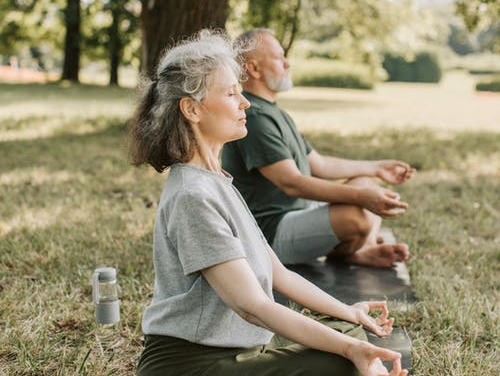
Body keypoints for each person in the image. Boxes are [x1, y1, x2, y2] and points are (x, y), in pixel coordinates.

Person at [130, 30, 408, 376]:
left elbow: (277, 272)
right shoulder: (192, 196)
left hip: (241, 347)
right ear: (192, 109)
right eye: (231, 94)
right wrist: (352, 350)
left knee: (346, 330)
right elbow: (254, 306)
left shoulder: (218, 181)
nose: (245, 102)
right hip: (194, 363)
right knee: (344, 361)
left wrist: (348, 312)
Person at [221, 28, 416, 268]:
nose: (287, 63)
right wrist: (361, 198)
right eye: (278, 57)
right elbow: (291, 183)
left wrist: (376, 168)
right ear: (254, 69)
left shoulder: (274, 112)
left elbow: (320, 165)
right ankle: (355, 248)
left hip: (299, 213)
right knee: (357, 217)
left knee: (367, 183)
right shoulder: (255, 117)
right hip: (269, 233)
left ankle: (359, 250)